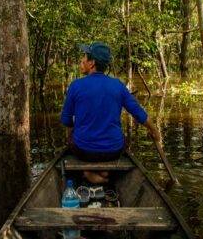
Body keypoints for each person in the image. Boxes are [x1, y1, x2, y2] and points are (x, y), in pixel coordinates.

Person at [60, 41, 160, 184]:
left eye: (85, 56)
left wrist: (72, 137)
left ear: (92, 63)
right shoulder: (118, 85)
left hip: (84, 152)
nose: (82, 60)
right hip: (113, 151)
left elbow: (66, 120)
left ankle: (88, 173)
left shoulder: (76, 86)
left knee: (73, 138)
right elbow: (138, 112)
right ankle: (104, 172)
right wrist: (154, 130)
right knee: (123, 138)